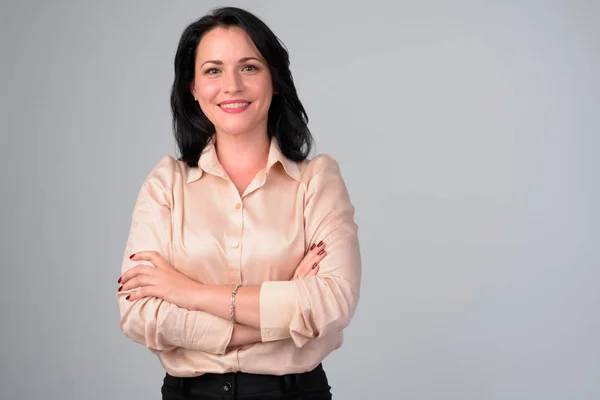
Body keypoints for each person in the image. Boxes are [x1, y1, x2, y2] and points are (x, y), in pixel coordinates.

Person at [116, 6, 361, 399]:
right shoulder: (166, 184)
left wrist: (186, 292)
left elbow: (332, 304)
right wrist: (277, 312)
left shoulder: (318, 180)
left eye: (249, 67)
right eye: (213, 70)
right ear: (193, 89)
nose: (232, 85)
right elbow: (139, 314)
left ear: (274, 80)